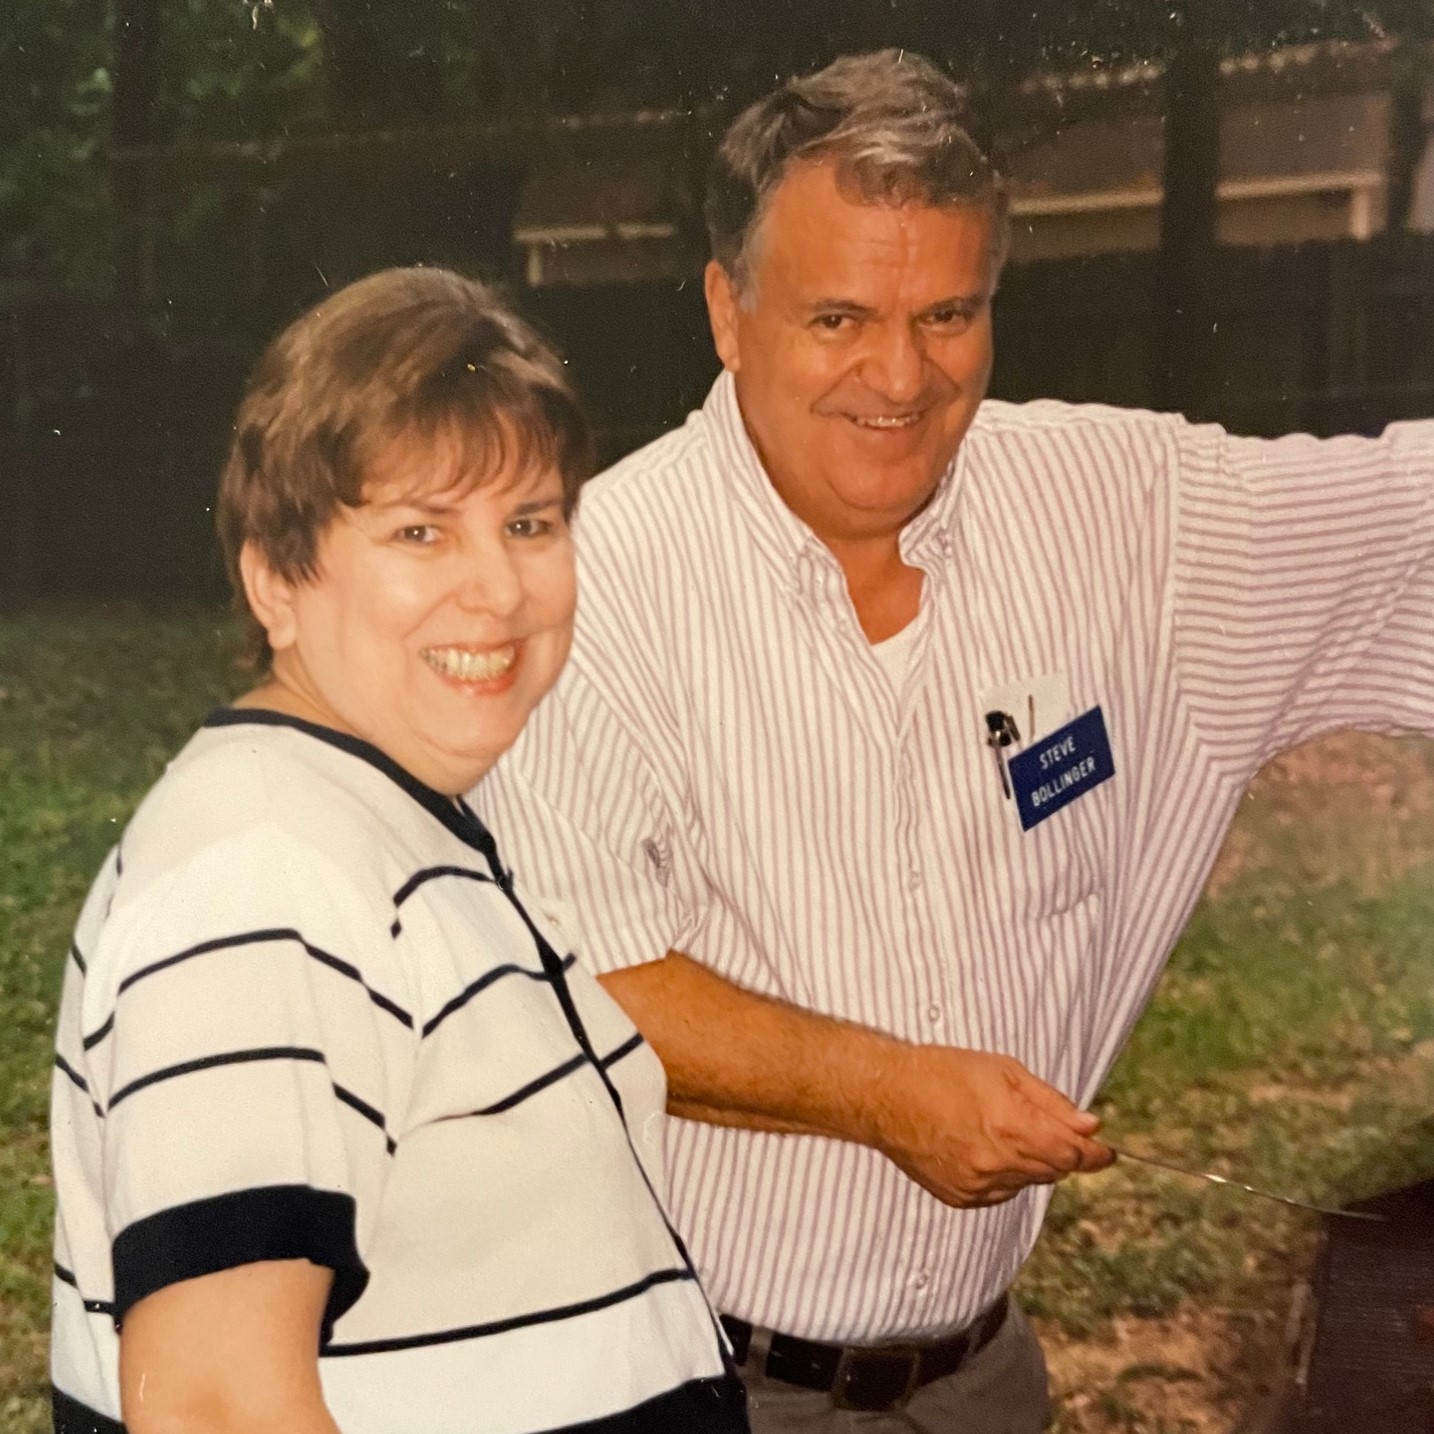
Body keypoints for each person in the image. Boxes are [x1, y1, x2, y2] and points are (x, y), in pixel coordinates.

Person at [473, 48, 1434, 1434]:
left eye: (946, 313)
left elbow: (1401, 519)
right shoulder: (599, 584)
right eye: (837, 318)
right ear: (726, 314)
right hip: (688, 1380)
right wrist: (885, 1093)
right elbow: (582, 982)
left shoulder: (1119, 513)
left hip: (983, 1378)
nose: (898, 376)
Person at [48, 267, 749, 1434]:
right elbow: (215, 1404)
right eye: (420, 531)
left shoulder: (372, 823)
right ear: (277, 577)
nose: (499, 588)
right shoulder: (266, 875)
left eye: (531, 523)